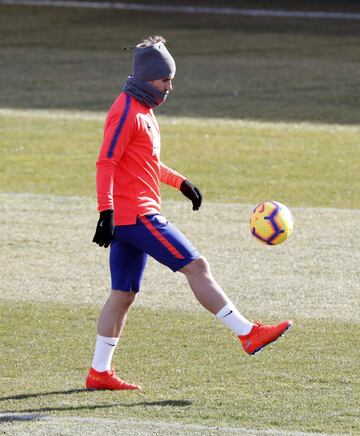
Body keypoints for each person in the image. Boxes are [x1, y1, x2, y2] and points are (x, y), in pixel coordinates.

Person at [86, 35, 292, 390]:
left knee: (123, 294)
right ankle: (248, 334)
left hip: (132, 215)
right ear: (147, 77)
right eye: (164, 80)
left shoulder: (144, 112)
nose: (170, 87)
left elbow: (147, 163)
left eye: (171, 80)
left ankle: (99, 373)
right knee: (196, 266)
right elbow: (106, 161)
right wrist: (106, 213)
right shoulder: (125, 111)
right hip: (137, 217)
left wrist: (180, 182)